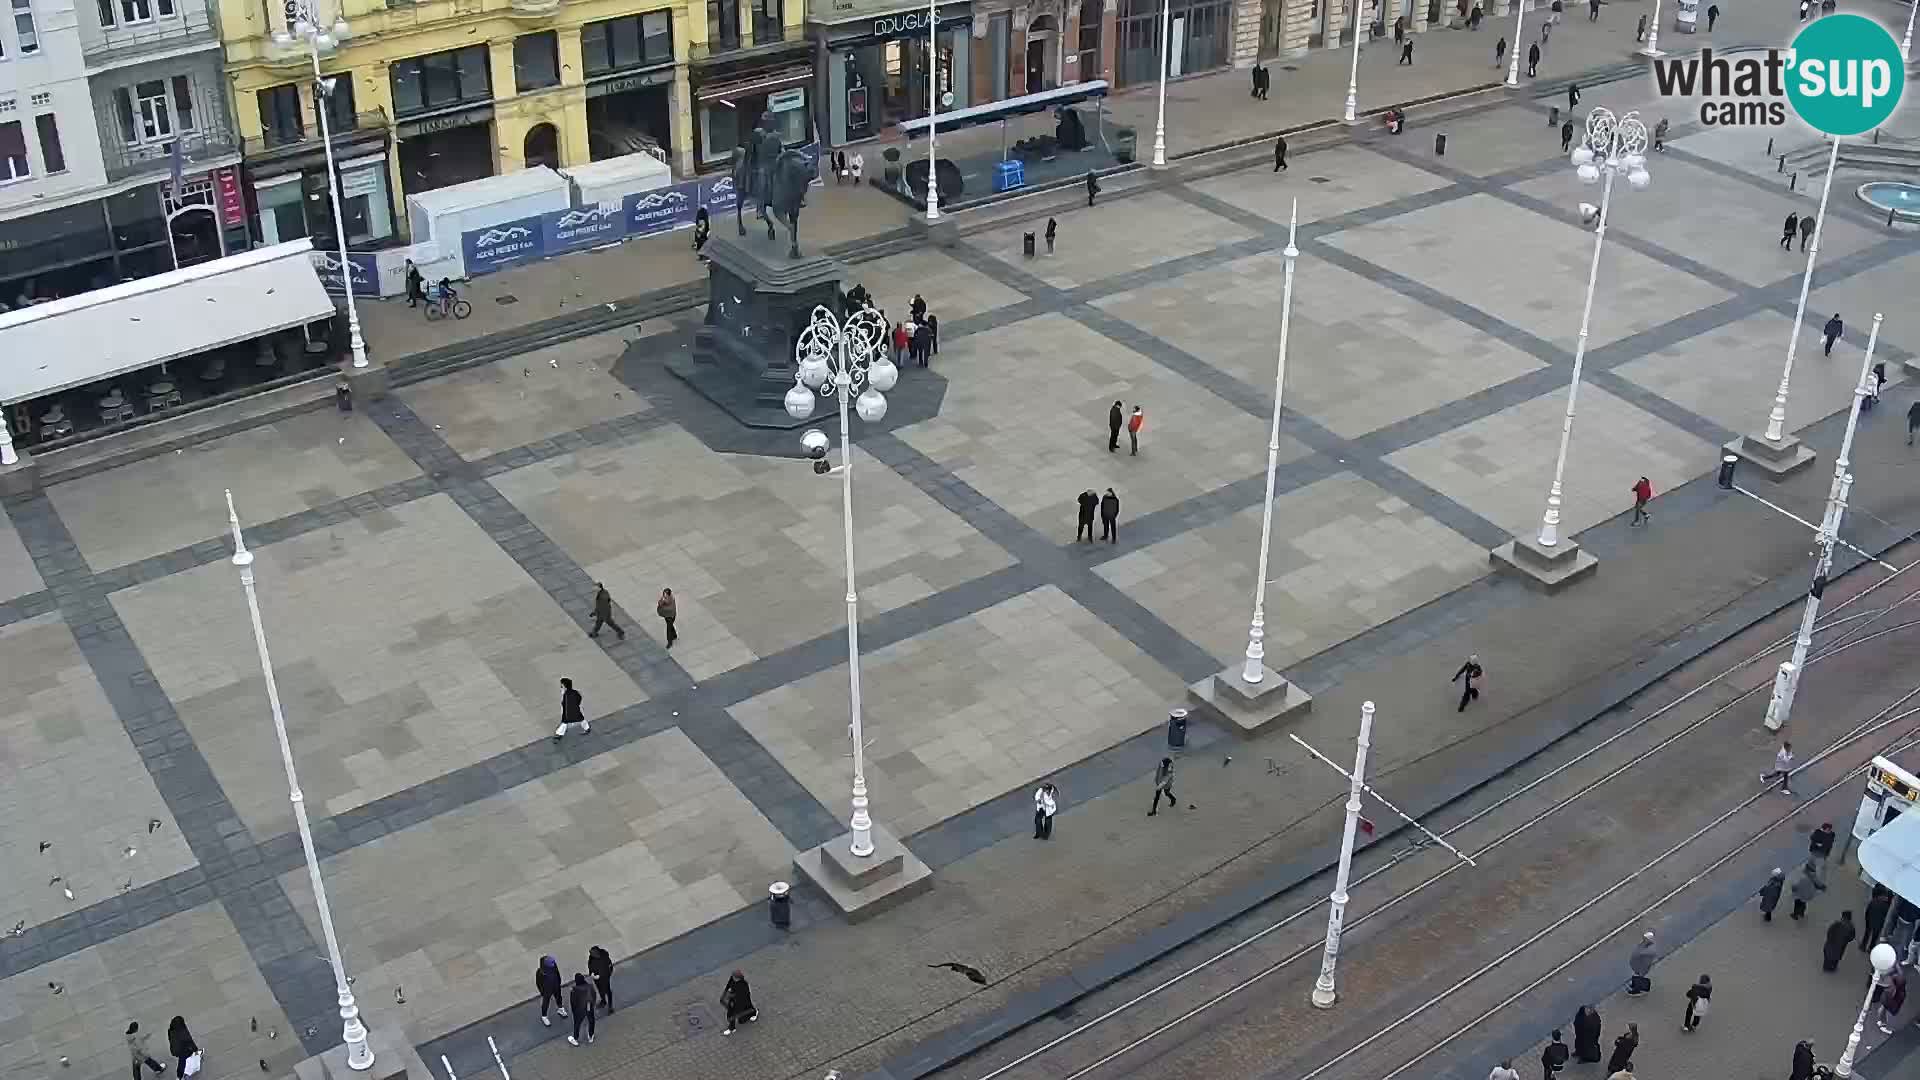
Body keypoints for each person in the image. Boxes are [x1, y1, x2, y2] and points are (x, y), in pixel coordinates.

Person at [535, 955, 568, 1025]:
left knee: (559, 997)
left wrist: (559, 982)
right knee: (546, 1002)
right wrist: (542, 992)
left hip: (556, 985)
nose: (553, 965)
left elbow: (557, 974)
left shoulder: (553, 966)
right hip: (547, 990)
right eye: (551, 964)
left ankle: (560, 1009)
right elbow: (538, 983)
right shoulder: (540, 972)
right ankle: (544, 1016)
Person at [567, 972, 595, 1046]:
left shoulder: (574, 990)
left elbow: (573, 1002)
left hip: (580, 1010)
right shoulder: (590, 986)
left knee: (577, 1023)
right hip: (589, 1006)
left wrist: (574, 1012)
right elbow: (594, 996)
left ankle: (575, 1039)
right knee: (591, 1020)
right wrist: (592, 1006)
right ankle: (590, 1036)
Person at [1866, 884, 1894, 952]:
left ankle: (1863, 945)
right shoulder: (1886, 907)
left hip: (1870, 919)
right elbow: (1885, 916)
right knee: (1874, 937)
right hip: (1878, 924)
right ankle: (1870, 948)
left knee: (1867, 933)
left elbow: (1868, 910)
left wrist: (1867, 918)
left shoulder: (1874, 901)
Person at [1627, 931, 1657, 995]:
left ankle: (1636, 989)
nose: (1644, 939)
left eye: (1645, 938)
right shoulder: (1645, 944)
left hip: (1642, 965)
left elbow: (1646, 956)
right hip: (1638, 963)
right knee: (1637, 974)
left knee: (1640, 976)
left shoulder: (1650, 949)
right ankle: (1634, 984)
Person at [1879, 968, 1907, 1033]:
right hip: (1895, 1002)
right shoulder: (1900, 990)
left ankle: (1887, 1027)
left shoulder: (1891, 990)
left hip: (1893, 1005)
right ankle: (1885, 1024)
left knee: (1885, 1010)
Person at [1810, 822, 1838, 887]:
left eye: (1830, 830)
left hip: (1824, 853)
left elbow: (1831, 842)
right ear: (1824, 829)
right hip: (1818, 853)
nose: (1829, 831)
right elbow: (1812, 840)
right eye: (1828, 830)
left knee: (1818, 867)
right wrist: (1817, 844)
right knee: (1821, 869)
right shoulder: (1817, 833)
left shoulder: (1832, 834)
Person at [588, 945, 614, 1012]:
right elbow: (590, 966)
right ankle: (603, 1001)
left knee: (608, 991)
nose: (591, 955)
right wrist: (591, 974)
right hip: (597, 979)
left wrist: (603, 976)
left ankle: (610, 1006)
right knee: (600, 990)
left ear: (597, 953)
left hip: (605, 978)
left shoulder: (604, 957)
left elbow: (609, 968)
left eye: (592, 953)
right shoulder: (591, 958)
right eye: (591, 953)